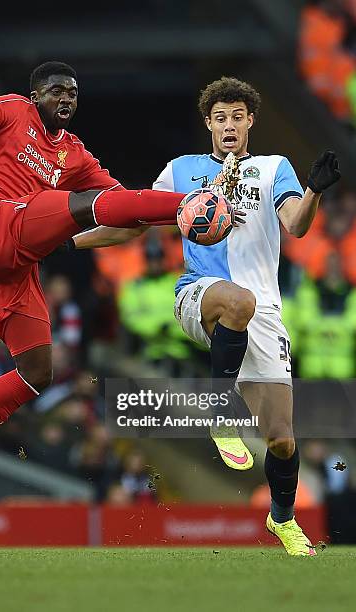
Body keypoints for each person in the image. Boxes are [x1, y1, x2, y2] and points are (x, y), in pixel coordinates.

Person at [70, 77, 341, 556]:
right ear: (209, 125)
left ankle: (282, 520)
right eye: (220, 119)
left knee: (280, 438)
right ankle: (219, 409)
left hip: (264, 311)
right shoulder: (181, 171)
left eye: (238, 116)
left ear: (250, 121)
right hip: (200, 293)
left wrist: (315, 191)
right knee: (237, 301)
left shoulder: (273, 168)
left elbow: (296, 225)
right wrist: (67, 241)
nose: (230, 125)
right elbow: (134, 224)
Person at [0, 61, 189, 508]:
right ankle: (189, 201)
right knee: (78, 204)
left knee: (38, 374)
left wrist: (95, 235)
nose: (65, 99)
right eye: (56, 90)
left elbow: (120, 209)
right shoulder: (13, 110)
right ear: (36, 94)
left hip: (14, 266)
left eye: (73, 94)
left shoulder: (75, 154)